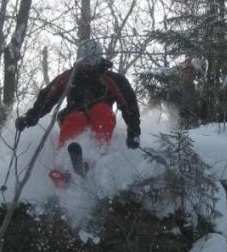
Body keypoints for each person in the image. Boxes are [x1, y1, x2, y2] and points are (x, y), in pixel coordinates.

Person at [16, 38, 141, 177]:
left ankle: (95, 157)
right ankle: (65, 168)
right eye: (83, 59)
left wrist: (134, 130)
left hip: (100, 119)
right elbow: (48, 96)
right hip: (75, 115)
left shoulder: (111, 79)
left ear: (97, 58)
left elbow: (129, 103)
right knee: (75, 119)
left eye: (90, 59)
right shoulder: (70, 77)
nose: (86, 64)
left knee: (102, 111)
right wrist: (30, 117)